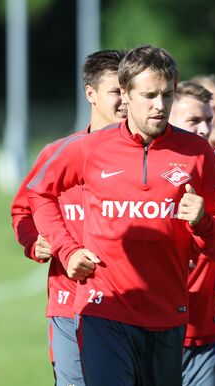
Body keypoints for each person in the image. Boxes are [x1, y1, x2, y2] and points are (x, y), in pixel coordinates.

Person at [26, 45, 215, 386]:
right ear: (125, 94)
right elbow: (38, 193)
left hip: (168, 315)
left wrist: (204, 221)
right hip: (104, 310)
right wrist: (66, 250)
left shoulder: (197, 152)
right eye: (149, 95)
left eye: (166, 95)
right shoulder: (90, 148)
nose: (159, 105)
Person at [10, 49, 127, 386]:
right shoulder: (57, 153)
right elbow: (23, 209)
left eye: (127, 90)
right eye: (115, 91)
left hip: (128, 304)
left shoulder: (145, 159)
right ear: (91, 93)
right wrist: (36, 242)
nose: (123, 100)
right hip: (67, 302)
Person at [168, 79, 215, 386]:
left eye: (208, 120)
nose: (204, 129)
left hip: (205, 331)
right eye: (194, 121)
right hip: (153, 328)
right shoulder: (145, 175)